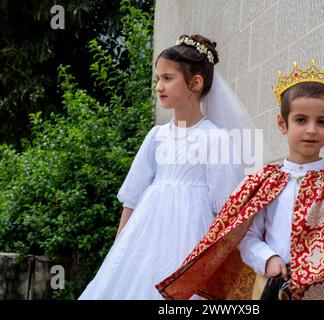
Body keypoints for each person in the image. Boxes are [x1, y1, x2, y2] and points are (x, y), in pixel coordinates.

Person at [156, 59, 324, 300]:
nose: (311, 129)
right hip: (272, 286)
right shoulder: (264, 183)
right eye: (301, 120)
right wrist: (268, 259)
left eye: (321, 122)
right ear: (282, 123)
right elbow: (247, 237)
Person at [78, 34, 252, 299]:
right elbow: (133, 197)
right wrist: (119, 246)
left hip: (191, 239)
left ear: (195, 83)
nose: (159, 86)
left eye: (168, 78)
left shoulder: (216, 139)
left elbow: (225, 207)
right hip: (143, 238)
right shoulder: (157, 136)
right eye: (158, 78)